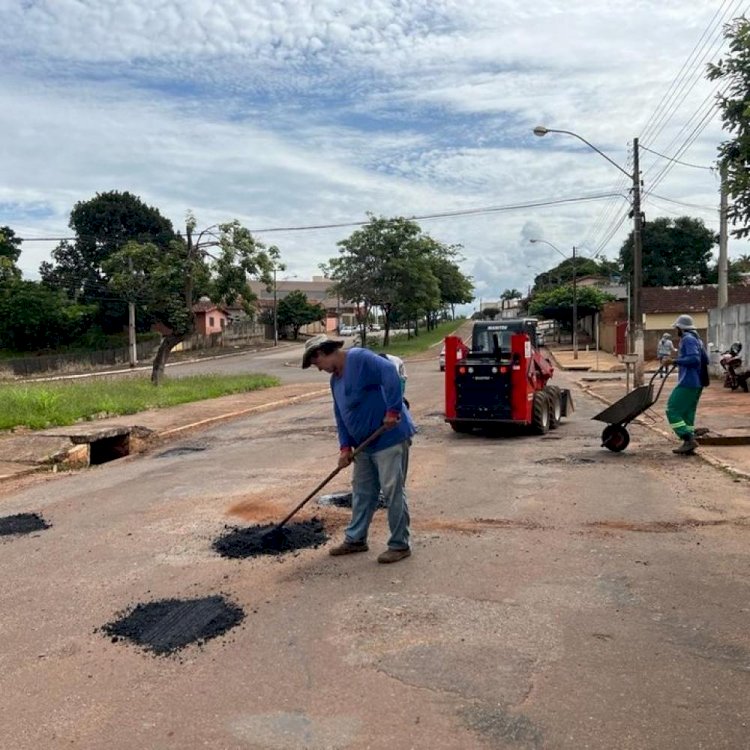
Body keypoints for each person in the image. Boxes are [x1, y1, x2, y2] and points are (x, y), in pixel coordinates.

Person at [302, 335, 416, 563]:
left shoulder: (359, 358)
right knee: (362, 492)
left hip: (389, 437)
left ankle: (399, 544)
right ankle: (356, 539)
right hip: (363, 445)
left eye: (317, 364)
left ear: (323, 353)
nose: (319, 369)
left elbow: (390, 374)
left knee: (392, 490)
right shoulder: (335, 381)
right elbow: (341, 415)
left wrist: (393, 410)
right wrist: (345, 447)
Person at [664, 314, 710, 455]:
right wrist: (680, 360)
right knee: (687, 412)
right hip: (698, 382)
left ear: (681, 328)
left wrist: (675, 361)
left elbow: (694, 359)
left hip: (688, 381)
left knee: (672, 409)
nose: (676, 330)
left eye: (677, 328)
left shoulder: (687, 339)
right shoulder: (697, 339)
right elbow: (705, 359)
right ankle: (688, 441)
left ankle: (687, 438)